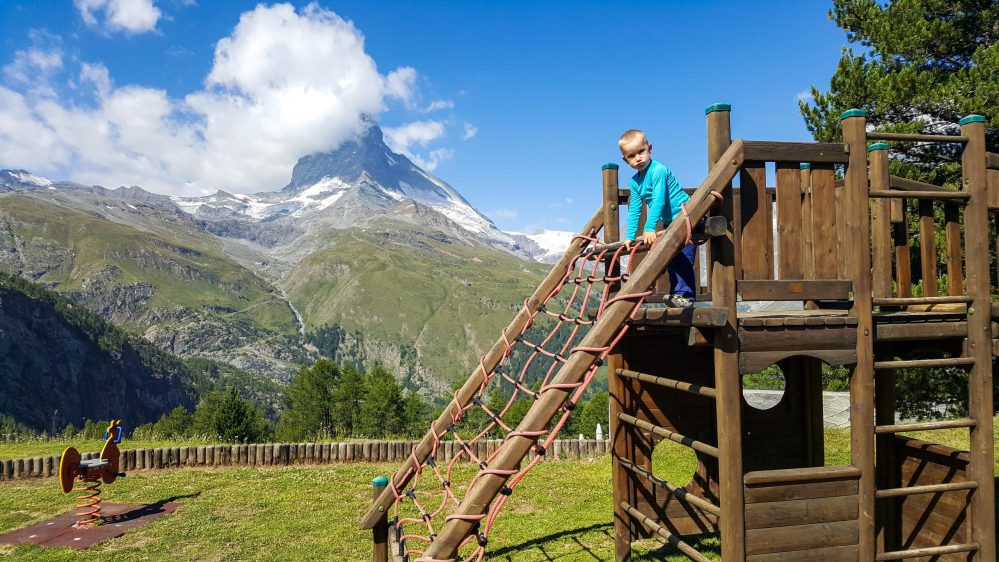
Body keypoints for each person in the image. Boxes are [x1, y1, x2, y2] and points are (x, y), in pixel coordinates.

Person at [619, 129, 696, 307]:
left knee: (682, 256)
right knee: (670, 256)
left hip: (688, 215)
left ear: (650, 148)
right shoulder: (634, 182)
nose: (638, 158)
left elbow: (659, 199)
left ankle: (686, 297)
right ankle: (678, 296)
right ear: (625, 160)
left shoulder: (658, 170)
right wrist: (630, 236)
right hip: (672, 222)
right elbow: (635, 209)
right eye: (632, 156)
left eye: (641, 151)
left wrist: (649, 227)